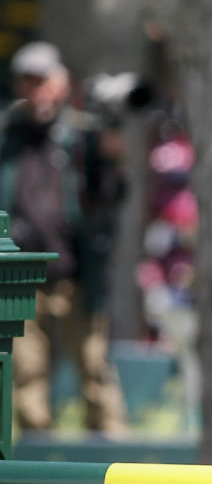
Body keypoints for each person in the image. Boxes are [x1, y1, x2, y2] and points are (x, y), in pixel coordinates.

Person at [0, 41, 128, 433]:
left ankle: (113, 453)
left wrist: (110, 154)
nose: (36, 90)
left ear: (61, 84)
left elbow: (113, 196)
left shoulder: (82, 135)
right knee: (27, 378)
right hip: (21, 280)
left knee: (95, 372)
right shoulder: (7, 134)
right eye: (28, 81)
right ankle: (38, 457)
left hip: (76, 275)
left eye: (42, 81)